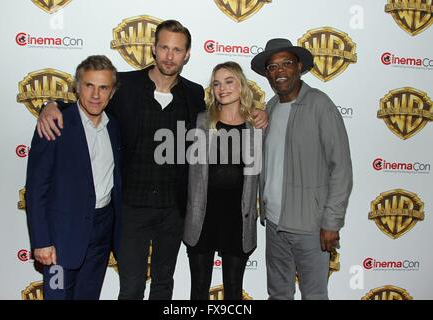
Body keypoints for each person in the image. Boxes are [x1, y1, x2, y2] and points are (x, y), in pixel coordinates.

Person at [36, 20, 267, 300]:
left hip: (174, 210)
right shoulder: (125, 86)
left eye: (177, 50)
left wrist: (258, 111)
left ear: (187, 55)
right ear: (154, 49)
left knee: (162, 285)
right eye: (164, 48)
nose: (170, 56)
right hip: (131, 209)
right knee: (131, 287)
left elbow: (229, 114)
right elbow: (90, 99)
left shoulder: (194, 95)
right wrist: (51, 106)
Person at [250, 39, 353, 300]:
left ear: (299, 67)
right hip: (274, 224)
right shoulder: (270, 108)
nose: (280, 71)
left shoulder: (320, 105)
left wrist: (331, 222)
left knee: (314, 295)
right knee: (278, 294)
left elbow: (341, 168)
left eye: (286, 64)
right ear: (267, 74)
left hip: (310, 226)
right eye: (272, 67)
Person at [25, 55, 122, 300]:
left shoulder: (115, 127)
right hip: (60, 238)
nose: (95, 95)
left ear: (112, 92)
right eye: (89, 85)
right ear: (77, 87)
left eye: (103, 87)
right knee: (57, 296)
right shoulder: (55, 124)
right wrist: (42, 240)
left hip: (101, 235)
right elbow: (36, 188)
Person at [183, 62, 261, 300]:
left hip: (238, 219)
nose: (222, 88)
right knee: (198, 290)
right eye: (216, 83)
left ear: (241, 85)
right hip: (202, 218)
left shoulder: (257, 126)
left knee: (234, 291)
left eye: (229, 81)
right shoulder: (199, 122)